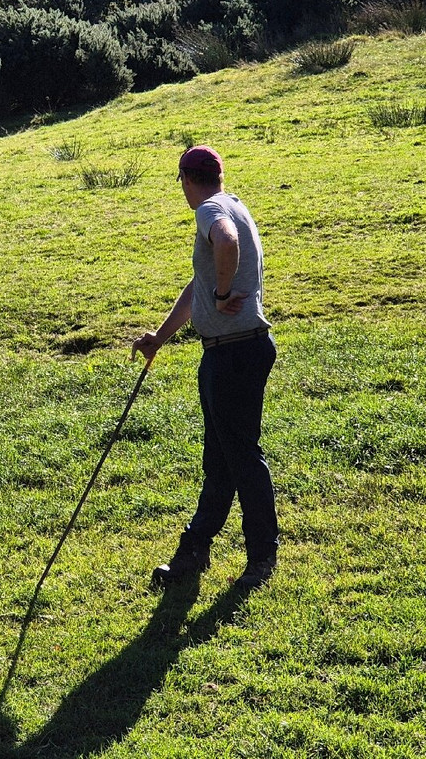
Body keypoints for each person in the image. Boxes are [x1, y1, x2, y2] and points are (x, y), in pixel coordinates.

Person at [131, 145, 278, 589]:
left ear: (186, 179)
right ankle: (193, 551)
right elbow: (202, 282)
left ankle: (261, 558)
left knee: (241, 459)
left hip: (233, 353)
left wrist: (222, 295)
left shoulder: (212, 210)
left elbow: (226, 241)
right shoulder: (235, 202)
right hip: (233, 351)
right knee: (221, 461)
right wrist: (161, 336)